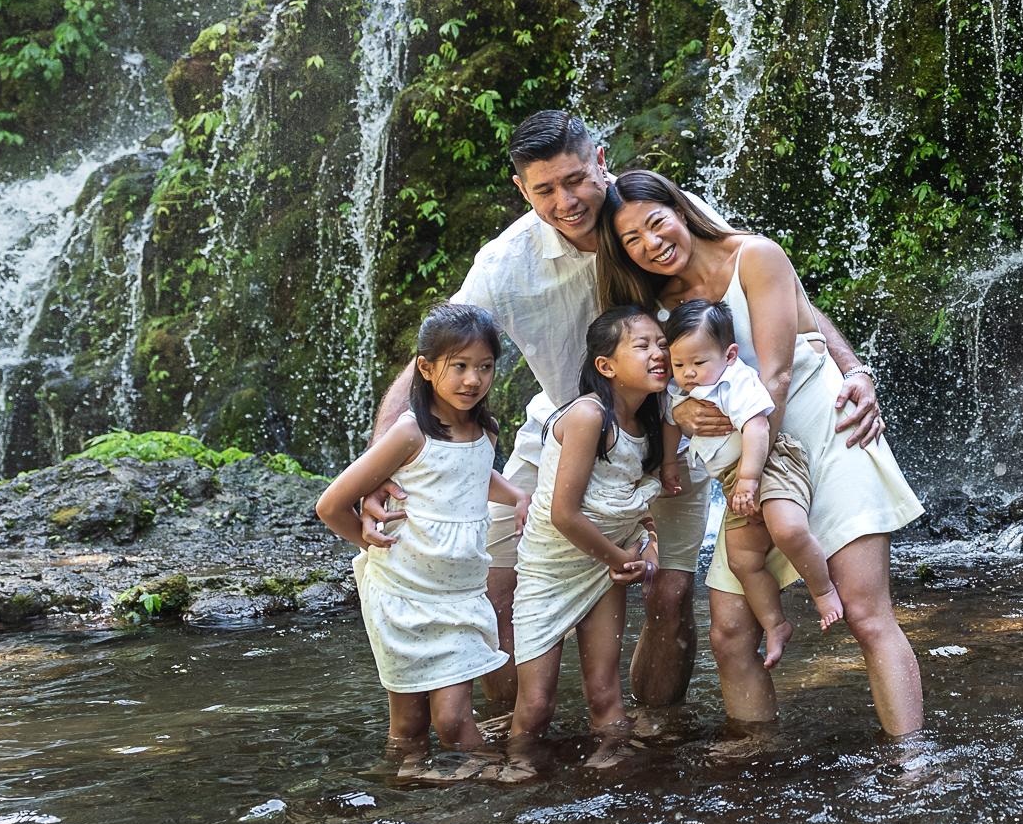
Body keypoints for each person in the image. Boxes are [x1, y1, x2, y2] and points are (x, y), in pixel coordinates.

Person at [363, 111, 889, 722]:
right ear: (522, 191)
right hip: (566, 426)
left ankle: (651, 735)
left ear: (601, 161)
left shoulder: (655, 215)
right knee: (497, 589)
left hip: (674, 429)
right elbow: (430, 359)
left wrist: (853, 369)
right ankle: (515, 733)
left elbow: (772, 290)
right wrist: (382, 465)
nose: (566, 202)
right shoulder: (505, 263)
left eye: (575, 180)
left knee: (671, 592)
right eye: (545, 190)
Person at [597, 170, 926, 736]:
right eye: (632, 239)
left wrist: (753, 473)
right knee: (729, 632)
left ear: (680, 210)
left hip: (819, 431)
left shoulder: (755, 256)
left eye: (656, 223)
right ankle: (756, 760)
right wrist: (679, 412)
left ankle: (912, 761)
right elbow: (655, 390)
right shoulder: (654, 310)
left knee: (866, 613)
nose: (651, 243)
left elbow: (774, 376)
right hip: (743, 466)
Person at [314, 303, 525, 780]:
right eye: (460, 365)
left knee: (452, 721)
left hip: (460, 597)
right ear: (426, 368)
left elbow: (470, 475)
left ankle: (495, 792)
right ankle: (407, 802)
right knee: (408, 728)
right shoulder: (409, 432)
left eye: (485, 366)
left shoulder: (486, 430)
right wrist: (370, 545)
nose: (473, 379)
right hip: (401, 597)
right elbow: (331, 505)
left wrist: (514, 494)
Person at [502, 305, 684, 780]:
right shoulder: (588, 415)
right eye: (642, 346)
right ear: (606, 365)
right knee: (537, 704)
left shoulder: (650, 422)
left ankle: (612, 777)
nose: (659, 353)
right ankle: (518, 777)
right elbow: (564, 513)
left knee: (606, 694)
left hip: (604, 567)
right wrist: (621, 558)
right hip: (552, 567)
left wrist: (647, 549)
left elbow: (633, 504)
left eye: (663, 344)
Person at [663, 297, 838, 664]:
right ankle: (776, 624)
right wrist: (668, 462)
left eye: (698, 363)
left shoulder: (734, 381)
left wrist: (749, 478)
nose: (688, 373)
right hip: (734, 482)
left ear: (729, 355)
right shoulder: (682, 392)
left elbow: (758, 428)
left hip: (767, 463)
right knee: (742, 561)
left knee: (787, 529)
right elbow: (669, 421)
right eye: (679, 364)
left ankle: (824, 592)